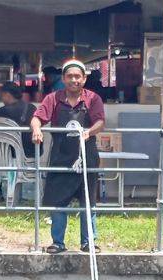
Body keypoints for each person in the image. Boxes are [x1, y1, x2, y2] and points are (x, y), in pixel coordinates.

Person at [30, 59, 106, 254]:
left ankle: (88, 242)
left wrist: (89, 132)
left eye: (78, 77)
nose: (74, 80)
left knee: (87, 201)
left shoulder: (93, 99)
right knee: (58, 201)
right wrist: (37, 129)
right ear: (63, 79)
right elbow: (37, 117)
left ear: (84, 79)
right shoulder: (53, 99)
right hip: (60, 156)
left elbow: (100, 122)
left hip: (86, 156)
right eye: (70, 76)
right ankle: (57, 242)